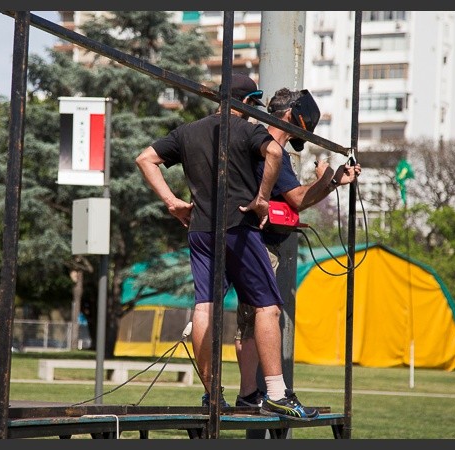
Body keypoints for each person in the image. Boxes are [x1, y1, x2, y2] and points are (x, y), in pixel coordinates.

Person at [136, 74, 318, 419]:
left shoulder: (186, 132)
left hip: (200, 230)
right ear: (246, 102)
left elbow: (144, 158)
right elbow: (275, 151)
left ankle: (211, 394)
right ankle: (277, 393)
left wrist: (173, 202)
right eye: (254, 106)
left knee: (205, 307)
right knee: (268, 308)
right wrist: (263, 199)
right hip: (240, 226)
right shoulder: (249, 130)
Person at [233, 88, 362, 410]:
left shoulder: (254, 140)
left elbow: (294, 199)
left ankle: (248, 394)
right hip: (258, 243)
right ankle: (270, 394)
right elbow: (297, 199)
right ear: (292, 115)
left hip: (241, 237)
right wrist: (327, 181)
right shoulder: (271, 147)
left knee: (248, 319)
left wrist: (330, 183)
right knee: (263, 313)